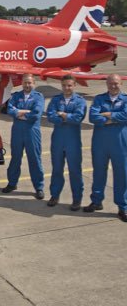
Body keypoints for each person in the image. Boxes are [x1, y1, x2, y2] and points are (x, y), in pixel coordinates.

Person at [84, 74, 127, 222]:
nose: (113, 86)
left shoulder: (126, 99)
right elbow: (93, 117)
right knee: (99, 172)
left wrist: (108, 115)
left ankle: (123, 207)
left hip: (120, 143)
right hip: (100, 143)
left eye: (116, 83)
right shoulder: (99, 99)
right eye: (110, 83)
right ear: (107, 84)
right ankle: (96, 201)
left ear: (120, 83)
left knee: (122, 174)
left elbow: (126, 115)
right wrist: (115, 118)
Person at [46, 75, 86, 210]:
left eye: (69, 85)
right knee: (57, 169)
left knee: (75, 170)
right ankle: (55, 195)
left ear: (74, 85)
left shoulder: (80, 101)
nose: (67, 88)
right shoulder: (56, 99)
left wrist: (63, 115)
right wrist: (67, 118)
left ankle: (77, 199)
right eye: (64, 85)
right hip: (57, 139)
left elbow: (78, 118)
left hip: (73, 140)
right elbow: (50, 116)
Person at [2, 73, 45, 199]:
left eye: (29, 83)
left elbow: (36, 114)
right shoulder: (16, 96)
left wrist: (19, 113)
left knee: (34, 159)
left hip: (32, 131)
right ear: (22, 83)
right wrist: (23, 112)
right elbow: (9, 110)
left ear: (34, 83)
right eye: (25, 83)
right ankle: (12, 183)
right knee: (15, 158)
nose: (27, 85)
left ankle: (39, 187)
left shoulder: (38, 97)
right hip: (17, 131)